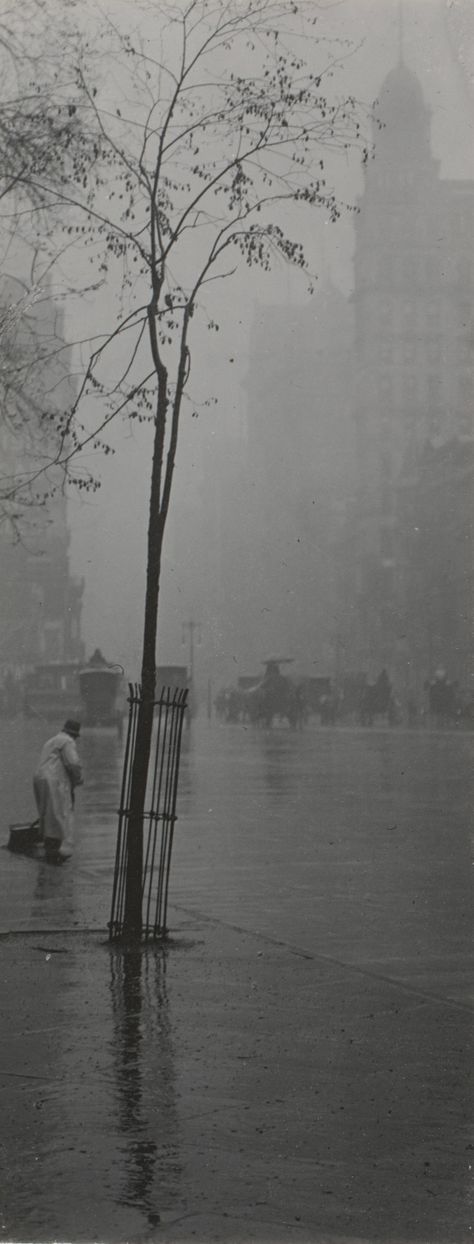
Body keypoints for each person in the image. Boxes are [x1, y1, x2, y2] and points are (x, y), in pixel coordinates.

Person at [33, 719, 83, 862]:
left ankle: (48, 845)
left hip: (40, 777)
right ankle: (53, 850)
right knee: (59, 813)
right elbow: (73, 764)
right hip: (54, 779)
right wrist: (78, 779)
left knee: (47, 813)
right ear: (73, 734)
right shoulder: (67, 741)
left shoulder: (51, 741)